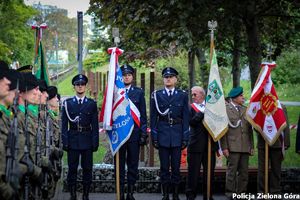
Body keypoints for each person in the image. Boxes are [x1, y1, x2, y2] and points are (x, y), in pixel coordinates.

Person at [150, 67, 189, 200]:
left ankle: (176, 194)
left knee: (176, 167)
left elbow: (185, 118)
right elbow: (153, 118)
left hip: (177, 135)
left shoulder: (182, 95)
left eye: (171, 77)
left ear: (175, 79)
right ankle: (166, 194)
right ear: (163, 79)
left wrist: (185, 137)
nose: (168, 78)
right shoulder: (157, 95)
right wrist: (154, 136)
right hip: (163, 135)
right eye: (166, 77)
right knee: (164, 167)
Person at [62, 74, 99, 200]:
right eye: (77, 84)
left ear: (85, 86)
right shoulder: (68, 104)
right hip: (72, 139)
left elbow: (94, 125)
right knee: (72, 168)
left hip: (87, 140)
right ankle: (72, 194)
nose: (80, 86)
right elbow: (63, 125)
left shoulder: (91, 104)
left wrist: (95, 142)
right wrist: (65, 141)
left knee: (87, 169)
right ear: (74, 87)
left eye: (82, 84)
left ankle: (85, 194)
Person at [119, 64, 147, 200]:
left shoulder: (138, 92)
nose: (127, 77)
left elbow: (142, 115)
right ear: (121, 77)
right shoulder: (116, 92)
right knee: (119, 164)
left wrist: (143, 134)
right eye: (124, 75)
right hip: (119, 135)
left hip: (134, 134)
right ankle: (121, 192)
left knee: (132, 164)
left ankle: (130, 192)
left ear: (132, 76)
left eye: (129, 75)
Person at [220, 86, 254, 199]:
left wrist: (251, 146)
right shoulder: (226, 109)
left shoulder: (245, 109)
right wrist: (224, 147)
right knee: (231, 172)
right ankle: (230, 193)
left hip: (245, 146)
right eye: (241, 96)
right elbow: (223, 131)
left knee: (244, 172)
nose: (243, 97)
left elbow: (249, 130)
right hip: (232, 146)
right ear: (234, 98)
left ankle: (242, 193)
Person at [186, 86, 217, 200]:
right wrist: (202, 112)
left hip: (210, 145)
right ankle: (190, 195)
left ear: (202, 95)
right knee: (193, 173)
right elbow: (192, 122)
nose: (193, 97)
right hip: (195, 145)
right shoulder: (190, 108)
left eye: (195, 94)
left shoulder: (211, 108)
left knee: (209, 173)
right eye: (192, 94)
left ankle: (208, 195)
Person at [257, 103, 290, 194]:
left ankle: (275, 191)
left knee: (276, 169)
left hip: (277, 143)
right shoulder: (259, 106)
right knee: (262, 169)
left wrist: (286, 143)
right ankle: (262, 191)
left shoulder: (281, 106)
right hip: (263, 144)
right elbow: (255, 125)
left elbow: (285, 125)